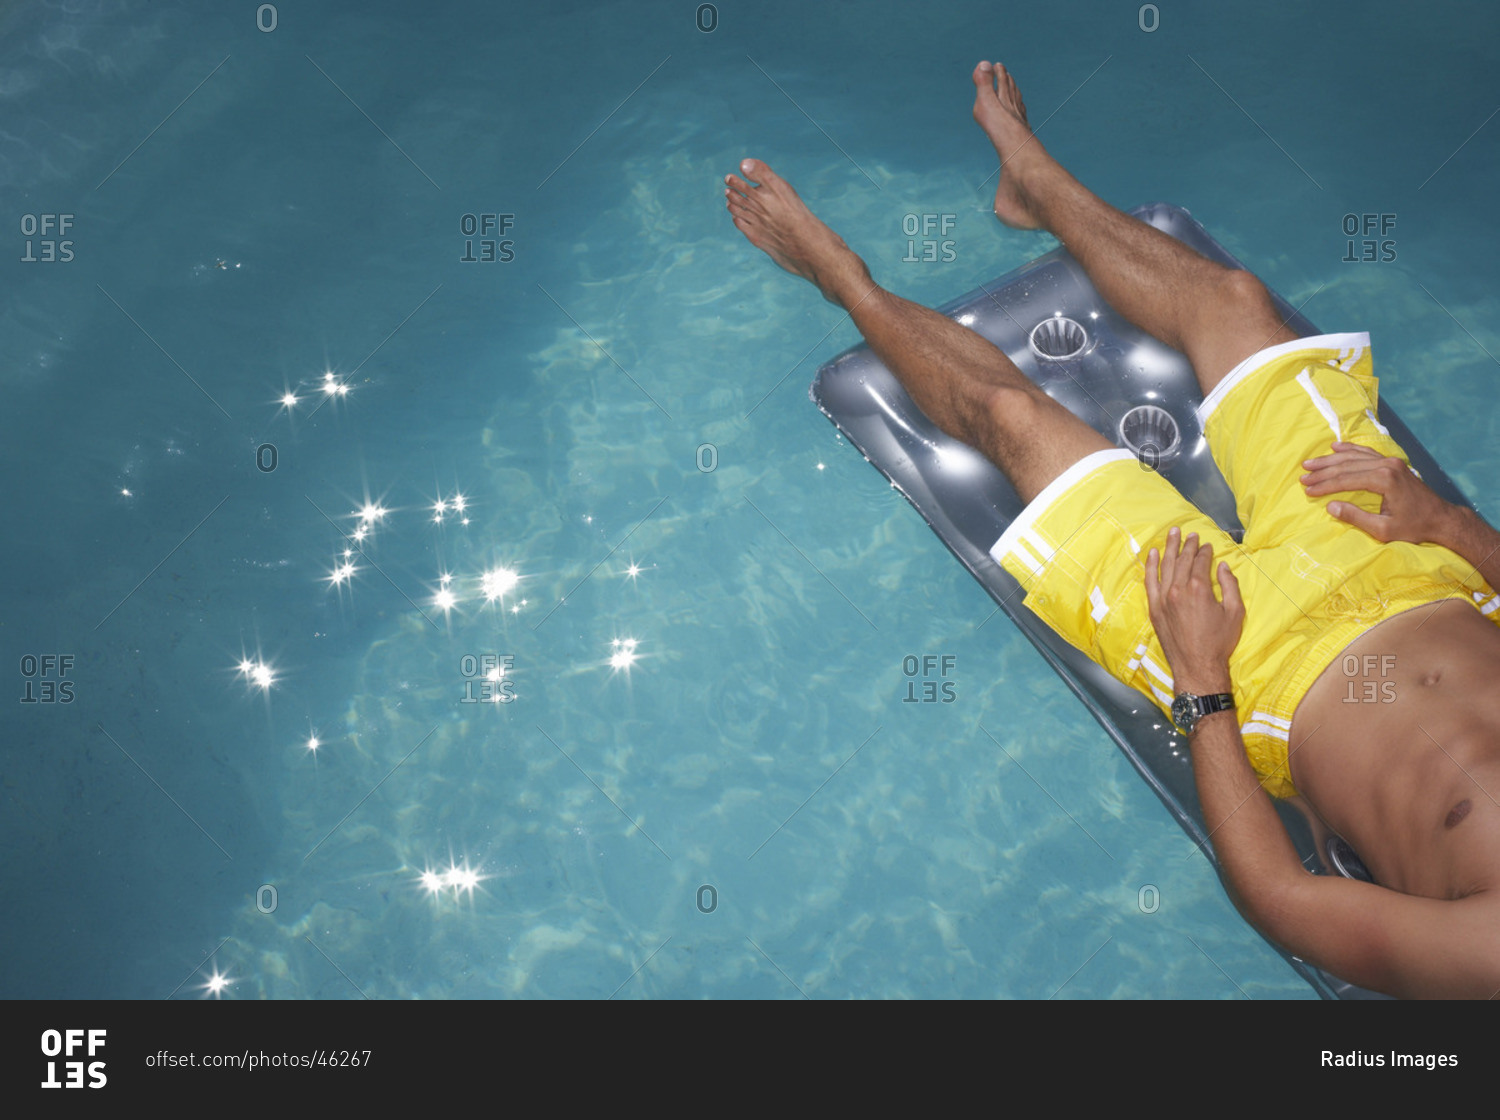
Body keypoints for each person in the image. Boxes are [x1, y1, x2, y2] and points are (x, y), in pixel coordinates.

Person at [725, 60, 1500, 999]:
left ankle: (841, 280)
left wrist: (1204, 686)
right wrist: (1446, 521)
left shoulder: (1477, 961)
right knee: (1236, 303)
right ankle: (1039, 187)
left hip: (1263, 672)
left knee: (1016, 425)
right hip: (1419, 566)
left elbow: (1277, 899)